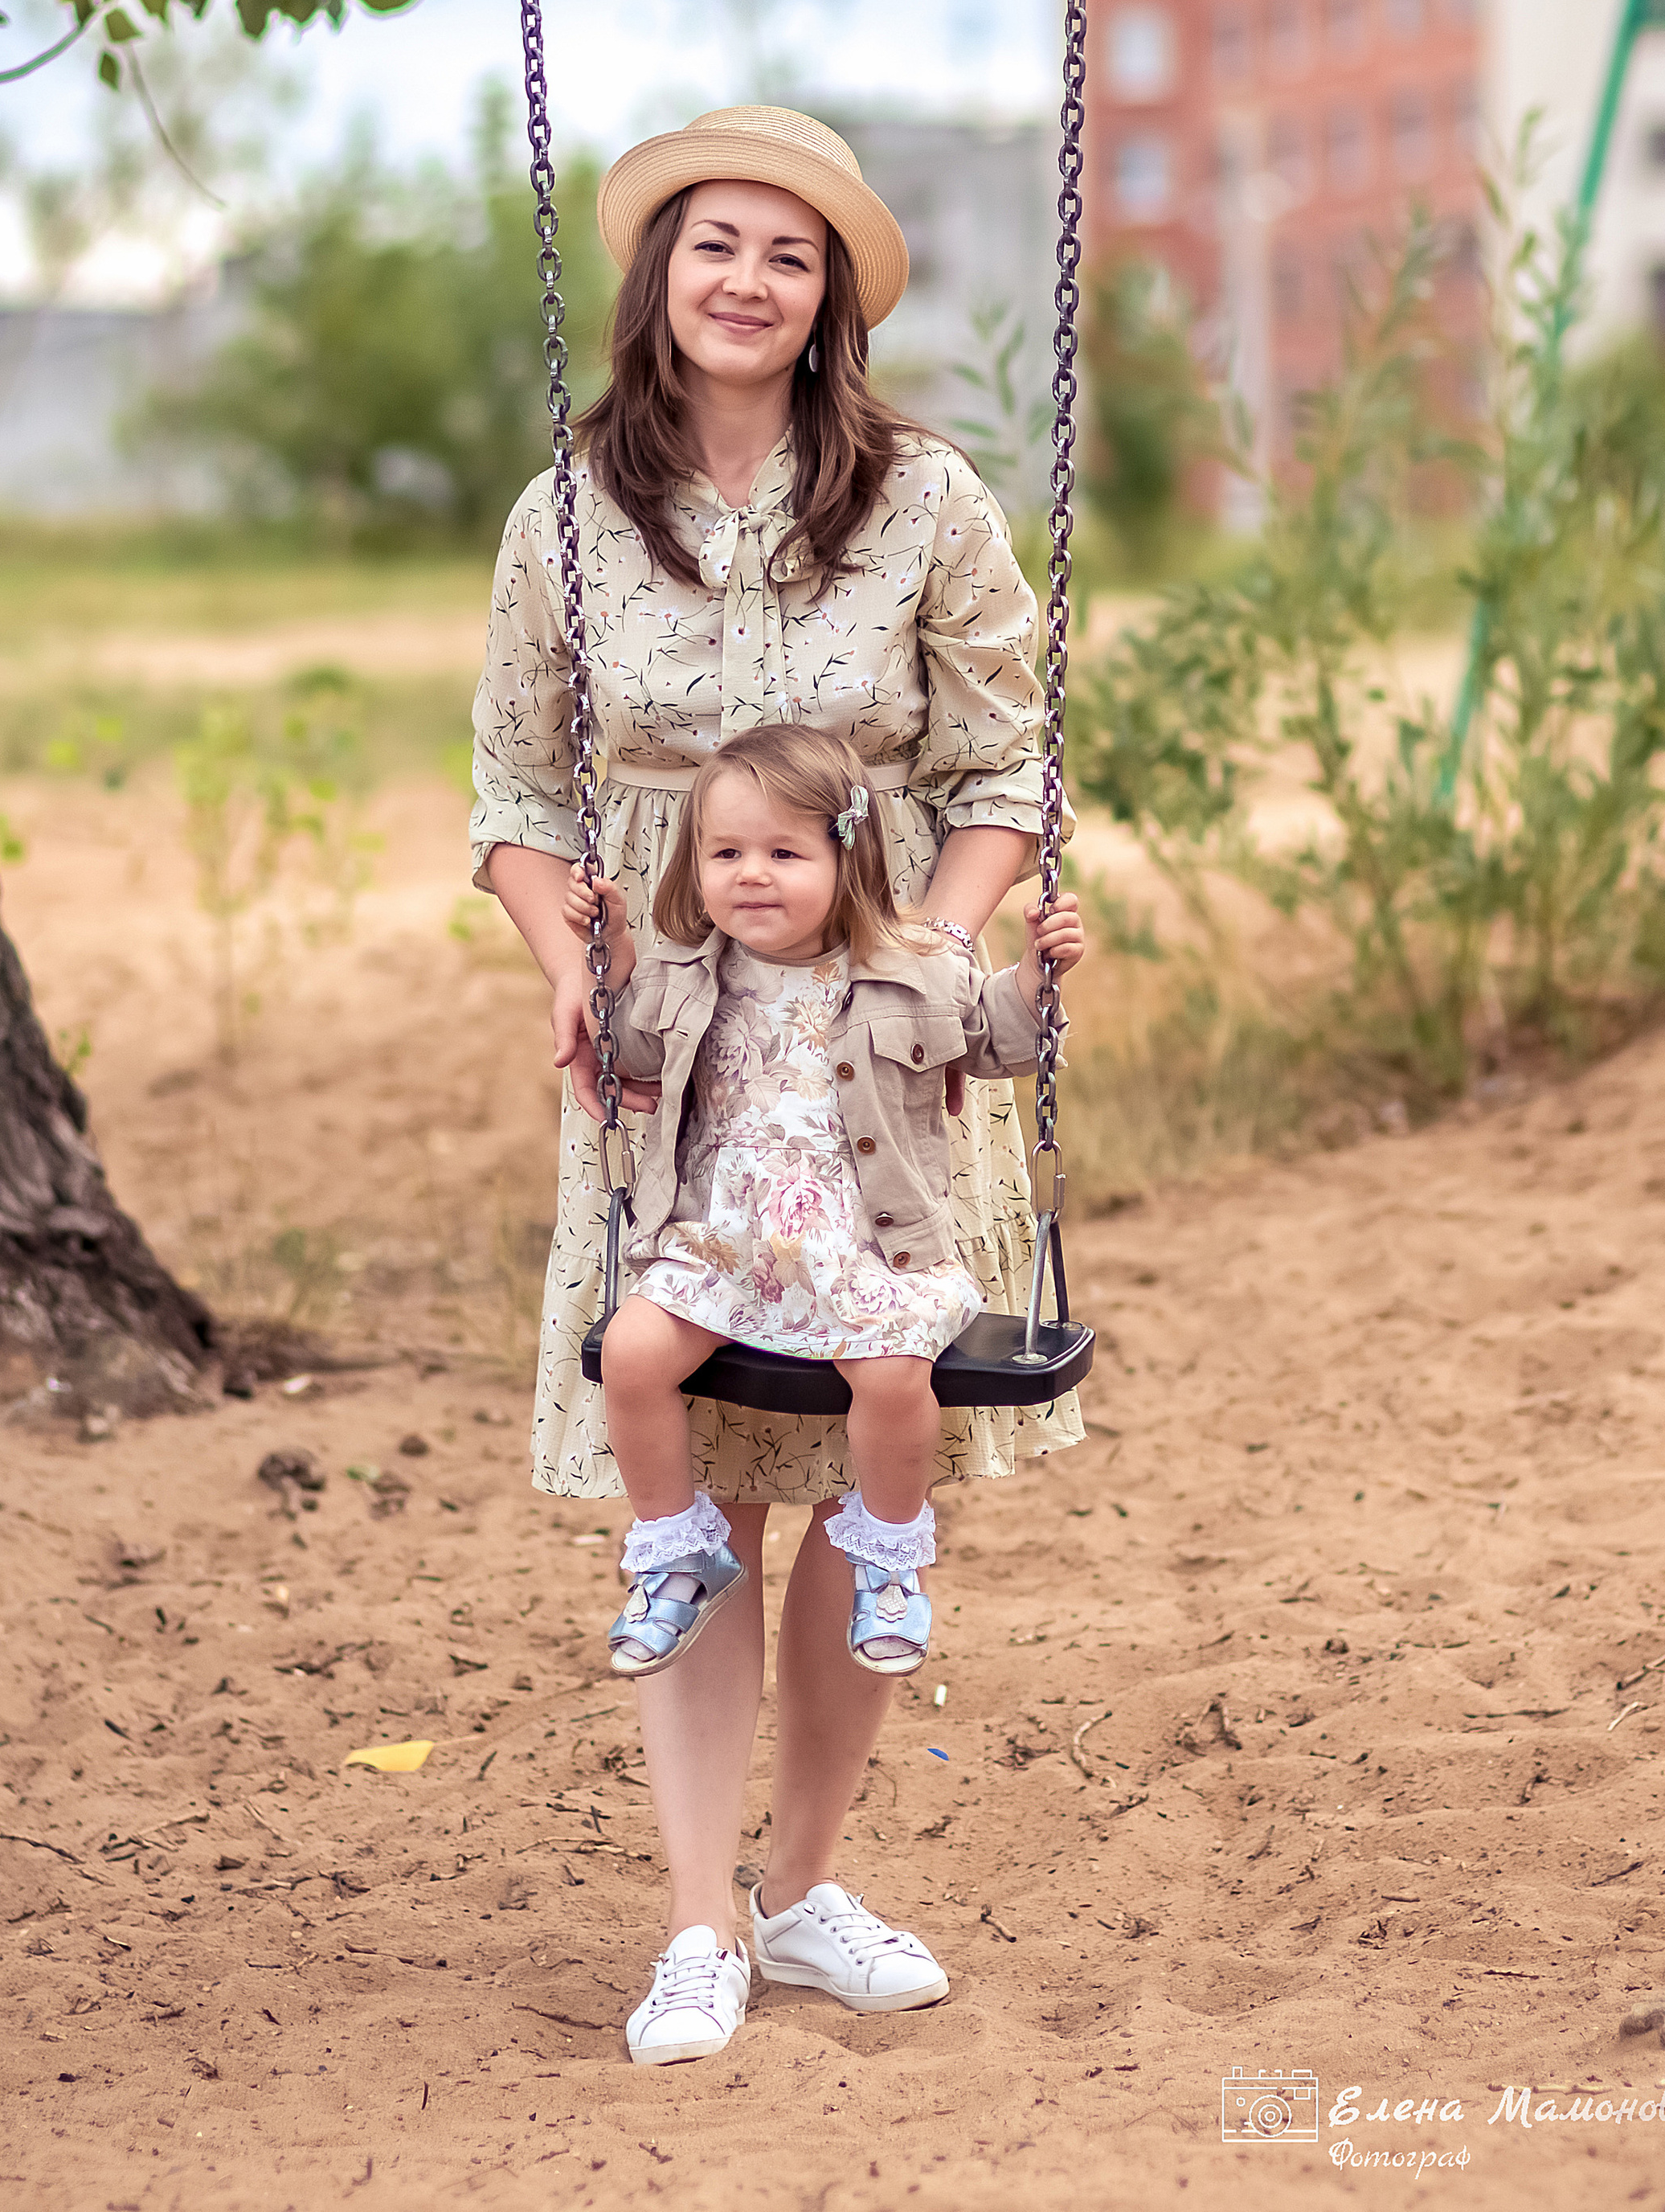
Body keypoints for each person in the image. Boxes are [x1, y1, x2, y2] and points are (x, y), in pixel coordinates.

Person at [472, 103, 1084, 2069]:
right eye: (713, 242)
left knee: (848, 1471)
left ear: (828, 300)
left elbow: (1002, 771)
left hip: (883, 1071)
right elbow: (510, 792)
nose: (746, 278)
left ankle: (800, 1883)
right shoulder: (561, 510)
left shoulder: (923, 501)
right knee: (699, 1501)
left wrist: (932, 952)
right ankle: (686, 1920)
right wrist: (572, 966)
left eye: (788, 252)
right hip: (672, 1069)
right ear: (658, 274)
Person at [558, 725, 1085, 1697]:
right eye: (726, 853)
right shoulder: (685, 975)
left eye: (785, 853)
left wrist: (1033, 980)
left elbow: (994, 1041)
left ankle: (888, 1562)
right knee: (631, 1354)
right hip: (723, 1249)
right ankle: (677, 1551)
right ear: (696, 865)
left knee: (891, 1378)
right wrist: (616, 950)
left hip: (865, 1252)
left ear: (851, 858)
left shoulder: (915, 967)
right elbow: (629, 1050)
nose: (751, 876)